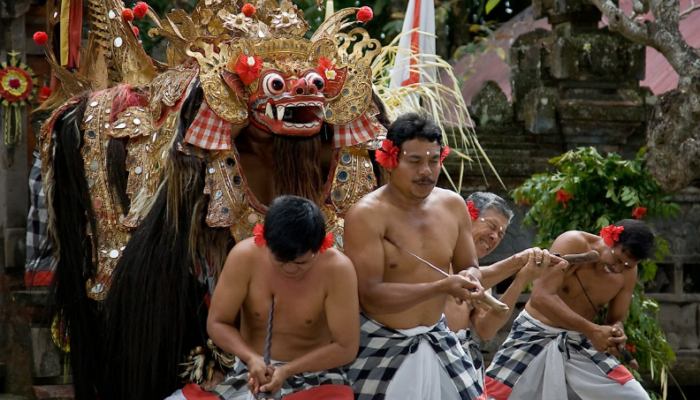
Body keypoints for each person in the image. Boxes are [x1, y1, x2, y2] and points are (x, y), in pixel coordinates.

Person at [343, 112, 487, 400]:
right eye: (415, 161)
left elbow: (469, 265)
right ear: (391, 160)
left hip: (438, 337)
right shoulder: (367, 215)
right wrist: (442, 286)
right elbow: (370, 295)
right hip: (380, 341)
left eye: (434, 160)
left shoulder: (453, 205)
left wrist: (471, 277)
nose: (427, 171)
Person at [167, 195, 359, 400]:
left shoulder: (338, 269)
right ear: (266, 242)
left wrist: (287, 370)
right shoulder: (244, 257)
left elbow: (345, 347)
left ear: (320, 247)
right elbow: (217, 322)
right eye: (281, 261)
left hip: (315, 374)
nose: (290, 268)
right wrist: (251, 358)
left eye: (301, 263)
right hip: (250, 370)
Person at [485, 219, 654, 400]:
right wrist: (592, 330)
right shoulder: (574, 242)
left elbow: (616, 318)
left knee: (635, 397)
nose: (617, 268)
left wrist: (615, 331)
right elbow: (540, 297)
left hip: (579, 341)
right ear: (610, 238)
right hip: (533, 333)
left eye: (627, 266)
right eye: (617, 259)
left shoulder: (628, 273)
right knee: (491, 396)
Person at [444, 192, 562, 390]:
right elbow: (461, 278)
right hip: (427, 348)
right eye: (491, 226)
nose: (494, 237)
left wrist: (520, 280)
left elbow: (486, 329)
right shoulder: (439, 252)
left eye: (501, 234)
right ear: (467, 217)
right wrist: (516, 262)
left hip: (459, 356)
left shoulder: (480, 274)